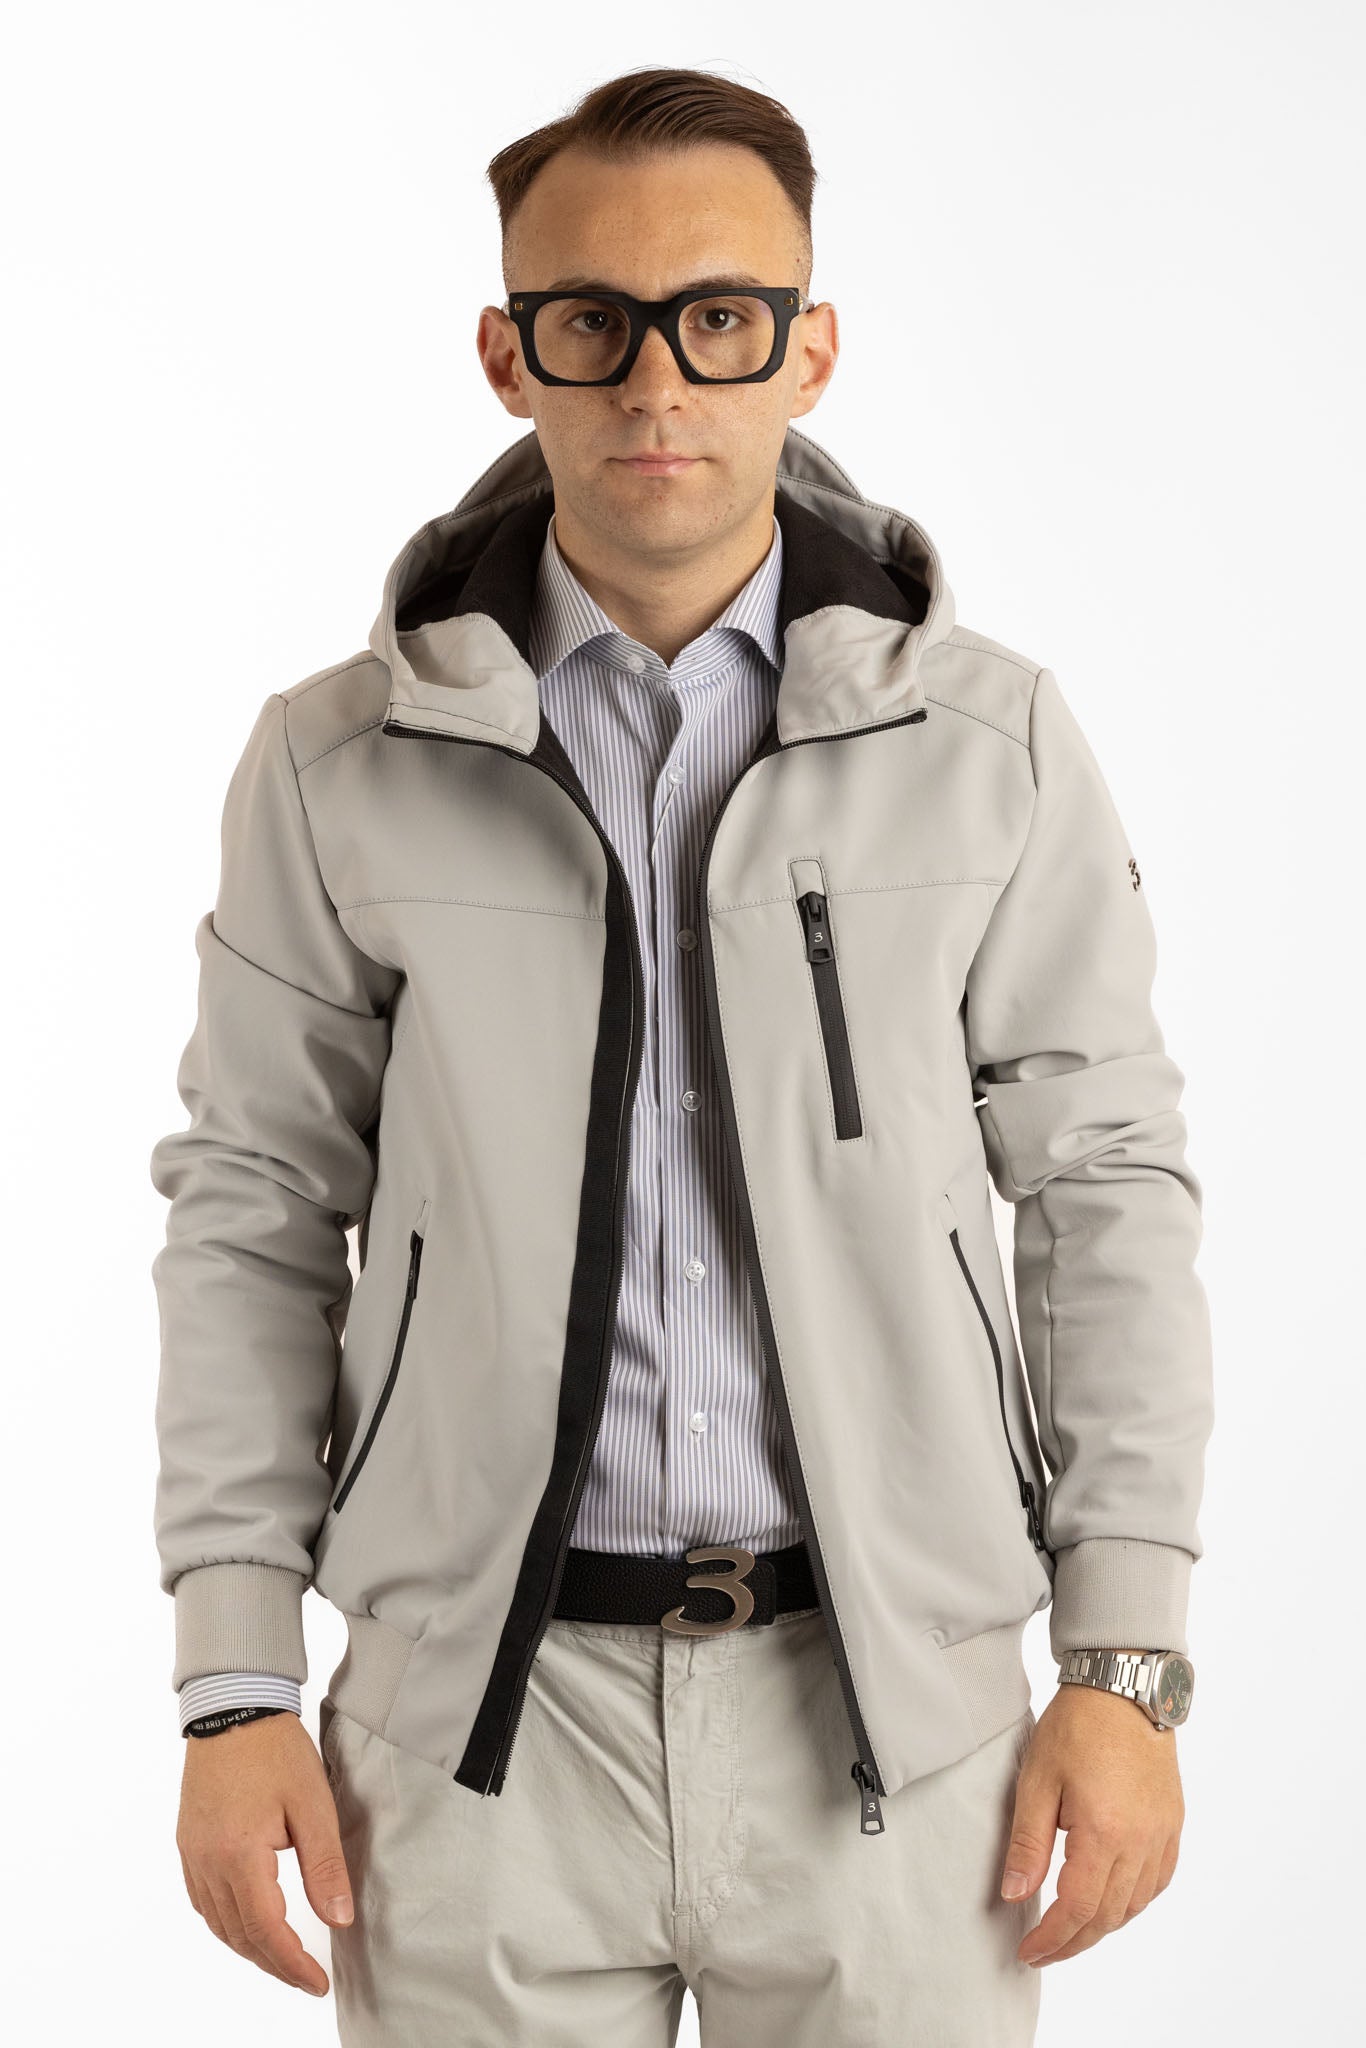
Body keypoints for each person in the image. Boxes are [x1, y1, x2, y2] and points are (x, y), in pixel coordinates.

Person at [150, 65, 1214, 2047]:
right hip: (472, 1737)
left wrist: (1124, 1659)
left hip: (894, 1724)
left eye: (718, 318)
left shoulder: (983, 745)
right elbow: (252, 1214)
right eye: (593, 322)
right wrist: (232, 1684)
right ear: (508, 354)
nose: (656, 384)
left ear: (808, 345)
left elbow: (1103, 1193)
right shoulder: (333, 762)